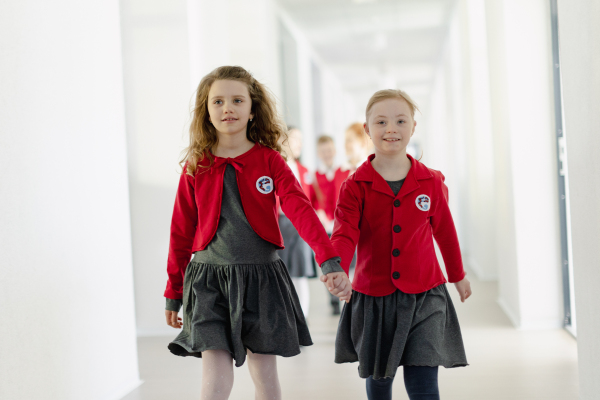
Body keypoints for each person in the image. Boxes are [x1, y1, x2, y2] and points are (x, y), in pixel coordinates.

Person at [163, 66, 344, 400]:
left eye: (236, 100)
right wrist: (173, 291)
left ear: (252, 109)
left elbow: (301, 211)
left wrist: (329, 259)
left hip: (261, 280)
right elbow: (180, 231)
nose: (227, 108)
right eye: (217, 101)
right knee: (214, 377)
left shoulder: (271, 161)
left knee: (263, 374)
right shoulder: (196, 165)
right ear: (206, 110)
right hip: (208, 283)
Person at [321, 89, 472, 400]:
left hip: (426, 295)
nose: (391, 128)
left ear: (413, 127)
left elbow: (444, 231)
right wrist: (337, 267)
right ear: (367, 129)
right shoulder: (354, 186)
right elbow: (345, 232)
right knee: (380, 381)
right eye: (381, 121)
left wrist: (457, 274)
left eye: (400, 121)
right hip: (374, 298)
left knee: (423, 383)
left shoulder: (430, 181)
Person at [276, 126, 317, 319]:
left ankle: (302, 320)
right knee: (281, 277)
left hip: (301, 228)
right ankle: (287, 320)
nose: (299, 144)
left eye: (301, 140)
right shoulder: (274, 167)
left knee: (300, 275)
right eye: (294, 139)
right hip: (279, 226)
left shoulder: (305, 171)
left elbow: (314, 199)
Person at [312, 135, 352, 315]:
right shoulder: (314, 176)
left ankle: (348, 294)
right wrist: (318, 212)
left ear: (334, 151)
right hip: (325, 226)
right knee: (328, 263)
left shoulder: (344, 172)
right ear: (319, 154)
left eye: (330, 150)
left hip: (342, 224)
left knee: (347, 261)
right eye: (323, 151)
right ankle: (333, 299)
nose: (327, 154)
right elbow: (310, 200)